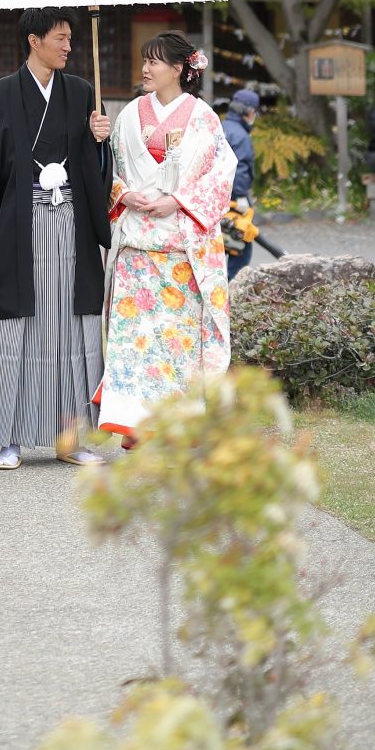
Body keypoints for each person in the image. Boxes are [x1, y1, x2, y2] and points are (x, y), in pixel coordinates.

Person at [0, 7, 112, 470]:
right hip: (17, 225)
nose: (68, 46)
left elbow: (97, 174)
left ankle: (73, 439)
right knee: (16, 329)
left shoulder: (84, 93)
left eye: (70, 39)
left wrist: (101, 141)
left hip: (70, 223)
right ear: (34, 40)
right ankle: (10, 438)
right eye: (60, 38)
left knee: (71, 328)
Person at [90, 31, 236, 448]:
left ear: (178, 68)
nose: (146, 69)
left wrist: (179, 200)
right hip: (136, 245)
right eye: (144, 61)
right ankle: (133, 423)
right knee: (133, 343)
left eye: (154, 62)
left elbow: (220, 173)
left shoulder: (204, 116)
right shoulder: (128, 115)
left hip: (179, 248)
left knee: (176, 344)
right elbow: (110, 168)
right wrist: (121, 192)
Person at [221, 87, 261, 280]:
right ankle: (233, 293)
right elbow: (241, 169)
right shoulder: (242, 137)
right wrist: (242, 195)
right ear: (250, 112)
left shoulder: (219, 127)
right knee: (242, 246)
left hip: (214, 198)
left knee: (218, 248)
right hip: (235, 201)